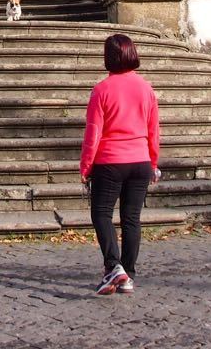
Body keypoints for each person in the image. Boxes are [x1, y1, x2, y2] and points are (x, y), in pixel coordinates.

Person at [80, 33, 161, 295]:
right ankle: (128, 275)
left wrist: (85, 166)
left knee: (101, 214)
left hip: (110, 161)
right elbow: (154, 130)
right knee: (131, 219)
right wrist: (153, 162)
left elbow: (93, 133)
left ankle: (113, 265)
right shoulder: (146, 89)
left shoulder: (101, 90)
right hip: (140, 160)